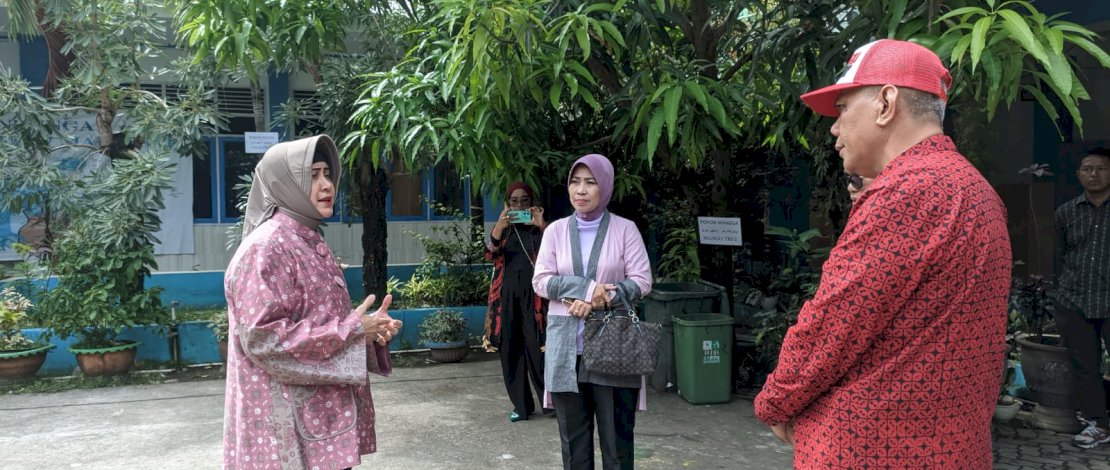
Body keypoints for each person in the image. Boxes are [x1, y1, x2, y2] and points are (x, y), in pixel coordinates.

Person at [753, 39, 1012, 468]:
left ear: (886, 102)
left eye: (842, 109)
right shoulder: (977, 190)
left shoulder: (907, 190)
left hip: (874, 446)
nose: (833, 130)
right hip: (949, 446)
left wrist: (776, 401)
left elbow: (835, 320)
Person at [222, 135, 403, 469]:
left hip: (318, 426)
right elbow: (264, 340)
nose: (326, 185)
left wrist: (368, 331)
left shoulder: (304, 239)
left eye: (327, 174)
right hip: (284, 434)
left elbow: (318, 321)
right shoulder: (268, 247)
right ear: (286, 184)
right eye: (312, 176)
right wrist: (351, 330)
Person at [532, 154, 652, 470]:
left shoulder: (626, 230)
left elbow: (642, 280)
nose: (581, 190)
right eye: (575, 181)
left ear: (606, 187)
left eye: (590, 182)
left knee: (617, 446)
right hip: (566, 352)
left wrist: (602, 298)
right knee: (574, 447)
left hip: (615, 349)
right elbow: (541, 281)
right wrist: (587, 289)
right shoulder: (555, 231)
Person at [1054, 147, 1110, 449]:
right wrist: (1060, 293)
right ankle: (1097, 425)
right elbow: (1059, 255)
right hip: (1074, 300)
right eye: (1088, 169)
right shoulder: (1066, 212)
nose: (1094, 174)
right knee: (1085, 367)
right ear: (1079, 174)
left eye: (1101, 168)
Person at [482, 181, 550, 422]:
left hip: (536, 300)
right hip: (506, 299)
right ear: (507, 204)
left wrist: (541, 226)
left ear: (533, 205)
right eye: (514, 201)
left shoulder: (541, 231)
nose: (519, 205)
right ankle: (521, 406)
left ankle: (549, 403)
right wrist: (499, 227)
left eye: (524, 201)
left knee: (538, 349)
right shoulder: (505, 231)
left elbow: (556, 256)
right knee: (510, 350)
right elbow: (490, 253)